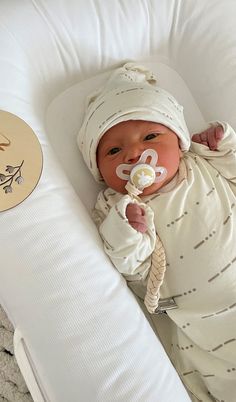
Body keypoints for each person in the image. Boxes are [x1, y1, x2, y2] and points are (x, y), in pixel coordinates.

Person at [77, 62, 236, 402]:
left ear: (178, 142)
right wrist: (127, 233)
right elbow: (137, 273)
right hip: (203, 320)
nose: (134, 153)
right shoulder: (114, 207)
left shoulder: (202, 162)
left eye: (150, 137)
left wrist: (222, 145)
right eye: (114, 150)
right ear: (101, 172)